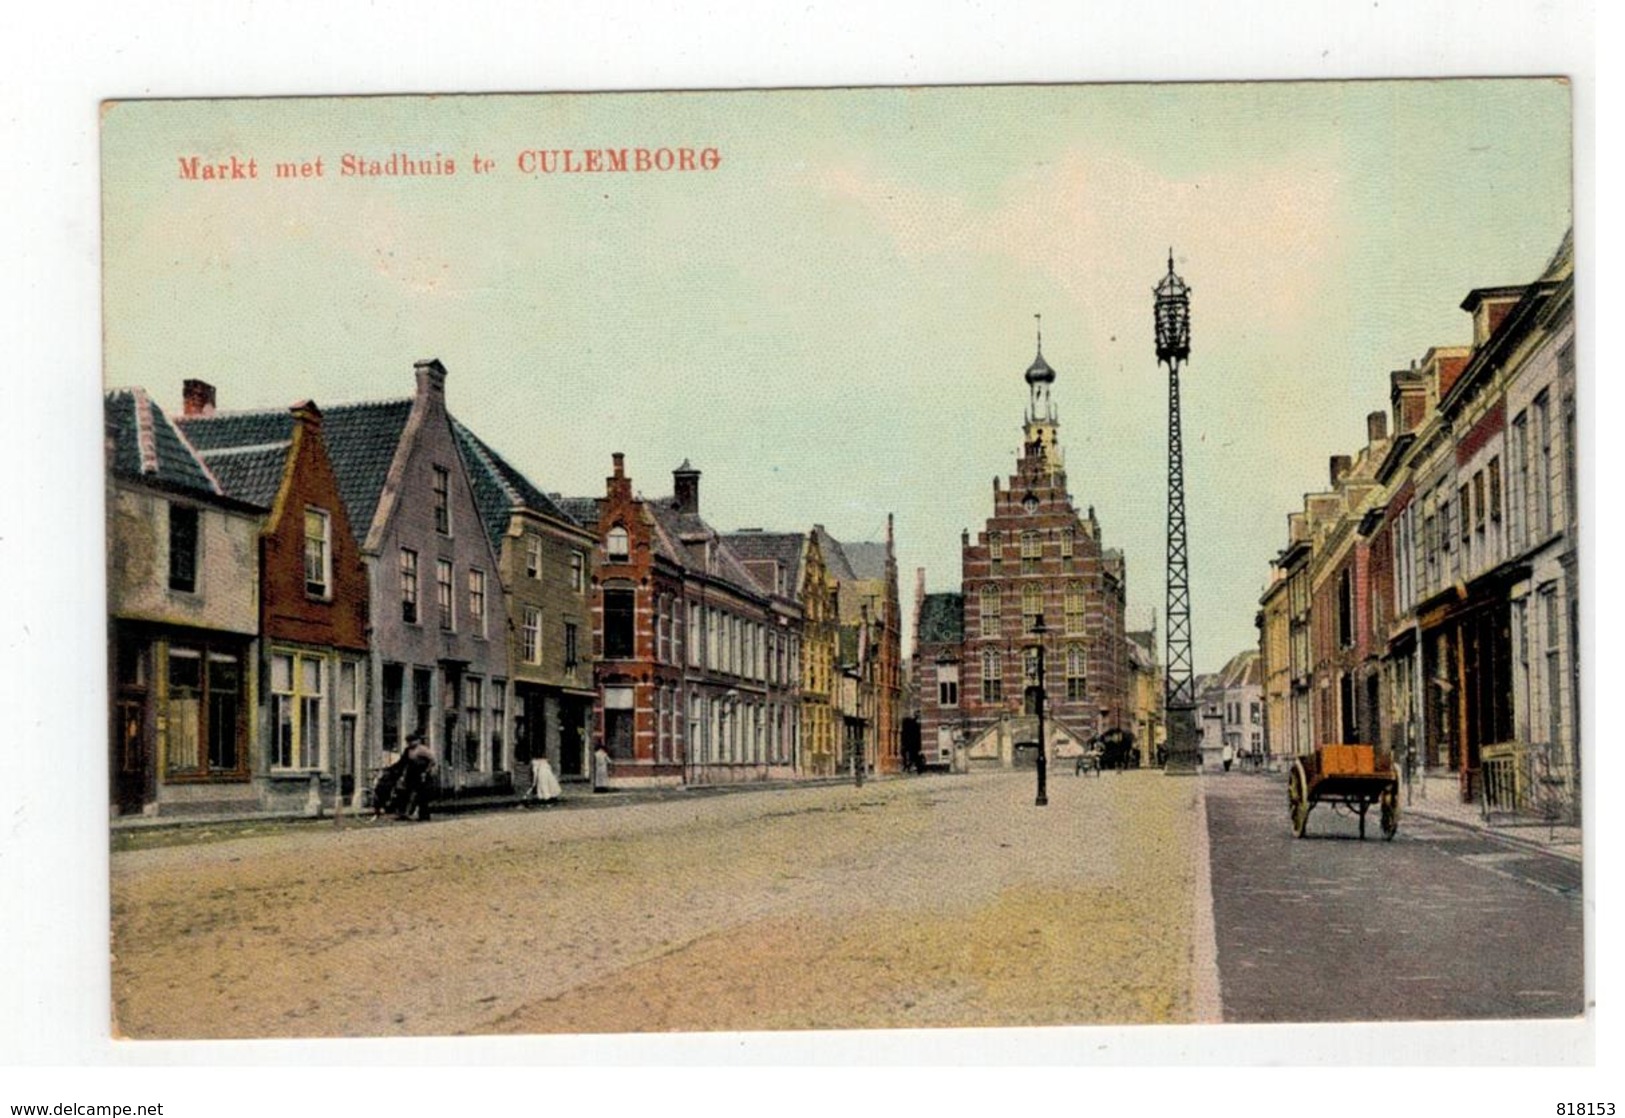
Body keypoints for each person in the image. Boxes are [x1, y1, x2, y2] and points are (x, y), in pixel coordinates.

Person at [397, 731, 437, 820]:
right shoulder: (407, 750)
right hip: (411, 774)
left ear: (417, 741)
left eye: (411, 741)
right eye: (408, 742)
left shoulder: (422, 750)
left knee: (421, 795)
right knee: (405, 793)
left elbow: (433, 760)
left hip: (421, 774)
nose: (410, 743)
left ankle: (424, 815)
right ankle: (404, 813)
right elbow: (403, 762)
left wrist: (426, 771)